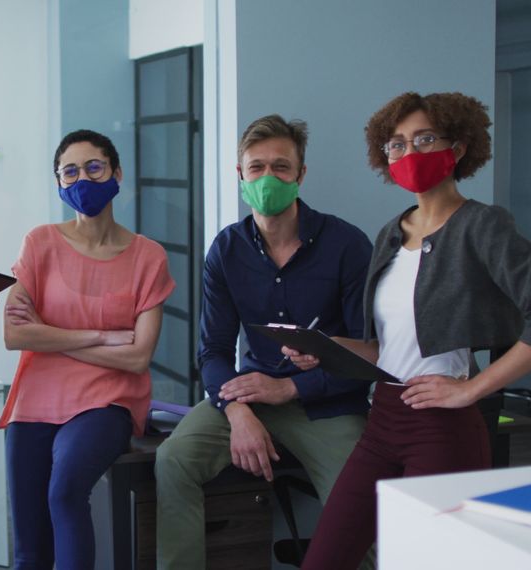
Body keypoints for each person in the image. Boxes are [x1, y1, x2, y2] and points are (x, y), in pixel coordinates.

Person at [297, 92, 531, 569]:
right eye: (396, 144)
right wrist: (324, 350)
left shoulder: (483, 226)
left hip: (443, 430)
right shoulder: (391, 231)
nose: (409, 154)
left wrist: (472, 388)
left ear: (460, 146)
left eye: (424, 139)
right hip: (382, 420)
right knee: (324, 559)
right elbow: (384, 348)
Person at [154, 114, 373, 569]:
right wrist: (237, 412)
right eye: (256, 168)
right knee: (173, 460)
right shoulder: (226, 250)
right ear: (240, 175)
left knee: (360, 508)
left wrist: (291, 388)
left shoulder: (347, 244)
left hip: (327, 404)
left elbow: (367, 355)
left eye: (281, 167)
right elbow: (212, 352)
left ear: (301, 175)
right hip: (249, 395)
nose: (267, 178)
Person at [0, 129, 175, 569]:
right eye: (70, 172)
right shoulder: (39, 243)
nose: (83, 179)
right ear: (59, 184)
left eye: (94, 167)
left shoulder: (148, 256)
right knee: (29, 549)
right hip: (35, 399)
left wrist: (50, 333)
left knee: (64, 491)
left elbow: (137, 357)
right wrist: (99, 335)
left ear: (116, 173)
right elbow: (15, 335)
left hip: (108, 400)